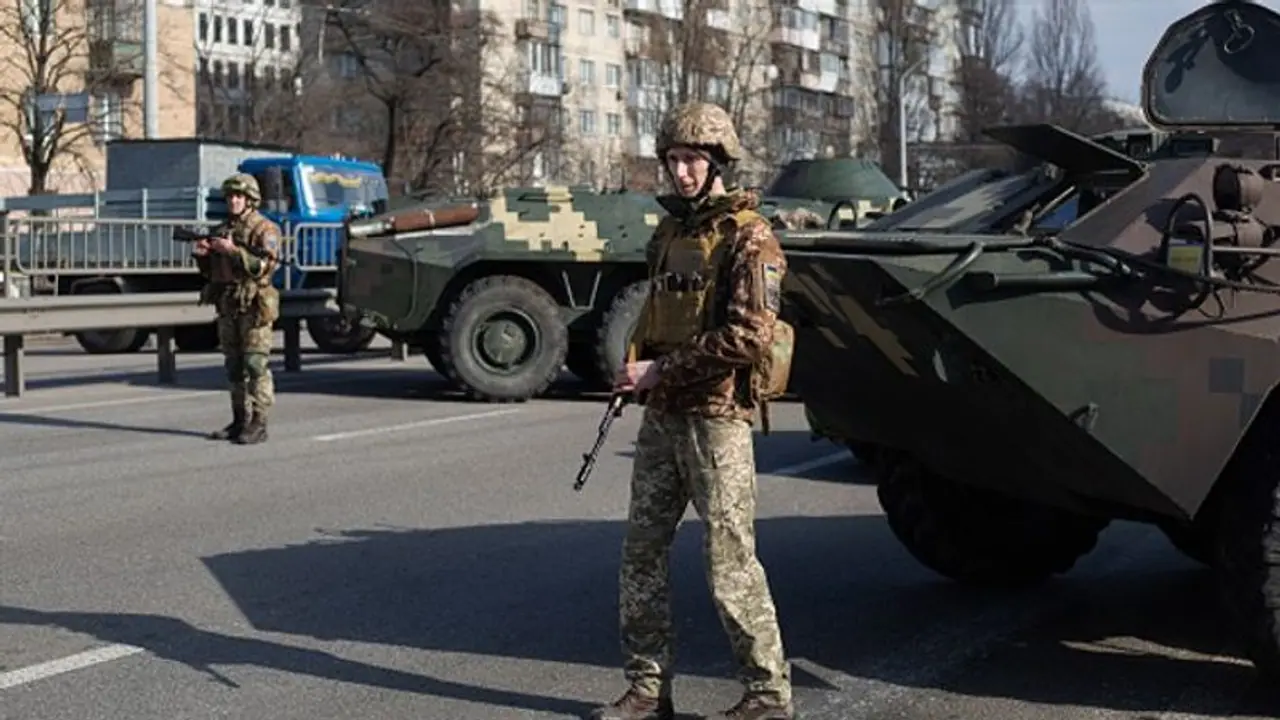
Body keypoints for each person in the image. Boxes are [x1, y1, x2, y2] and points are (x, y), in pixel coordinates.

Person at [589, 102, 795, 720]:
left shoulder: (749, 237)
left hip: (716, 417)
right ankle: (648, 690)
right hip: (664, 415)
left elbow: (752, 335)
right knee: (642, 553)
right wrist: (637, 370)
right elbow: (657, 314)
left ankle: (767, 695)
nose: (680, 172)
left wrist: (661, 371)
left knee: (730, 560)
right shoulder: (671, 233)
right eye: (674, 159)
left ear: (717, 164)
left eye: (692, 161)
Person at [191, 173, 282, 445]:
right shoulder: (221, 230)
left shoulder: (264, 229)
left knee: (255, 363)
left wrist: (234, 251)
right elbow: (213, 273)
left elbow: (265, 266)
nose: (233, 201)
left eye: (239, 197)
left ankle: (259, 422)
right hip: (228, 303)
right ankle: (239, 418)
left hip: (254, 304)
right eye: (230, 197)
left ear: (251, 200)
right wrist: (203, 256)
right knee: (233, 365)